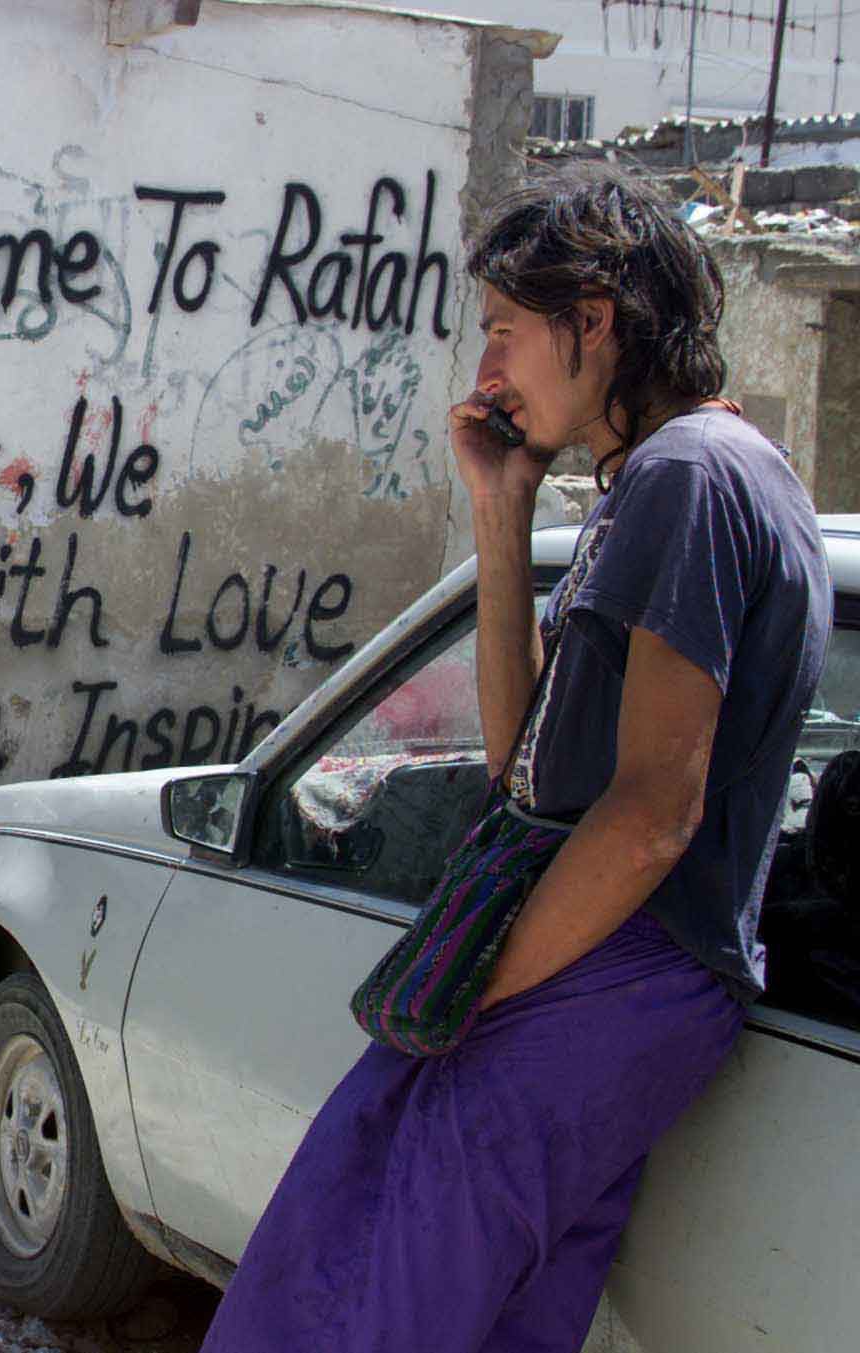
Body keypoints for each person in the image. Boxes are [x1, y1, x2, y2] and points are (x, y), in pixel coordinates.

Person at [200, 166, 832, 1352]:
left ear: (591, 318)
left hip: (612, 956)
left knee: (364, 1296)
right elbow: (524, 765)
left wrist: (482, 992)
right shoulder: (676, 479)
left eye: (501, 333)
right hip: (623, 965)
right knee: (488, 1314)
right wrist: (502, 512)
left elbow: (650, 810)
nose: (485, 373)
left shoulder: (687, 476)